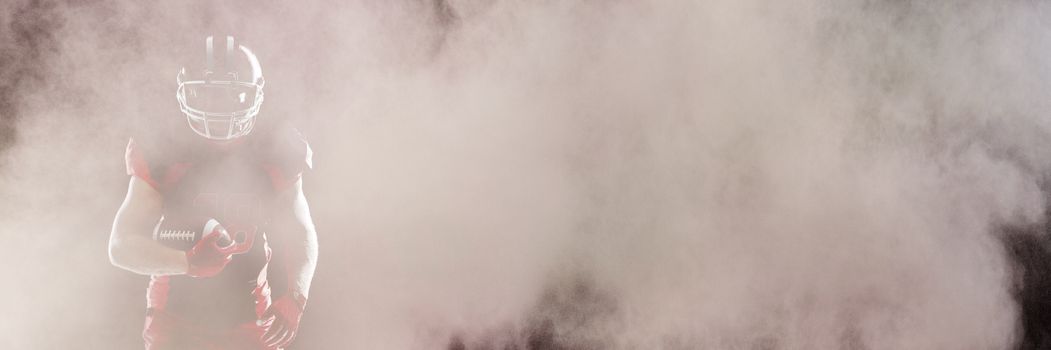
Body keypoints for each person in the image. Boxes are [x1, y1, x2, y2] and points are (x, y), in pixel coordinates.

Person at [108, 35, 318, 350]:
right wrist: (187, 262)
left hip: (251, 316)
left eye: (232, 97)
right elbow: (121, 245)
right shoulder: (163, 144)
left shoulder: (275, 145)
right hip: (175, 319)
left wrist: (297, 296)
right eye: (207, 96)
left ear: (256, 96)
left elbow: (299, 229)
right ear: (186, 94)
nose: (219, 108)